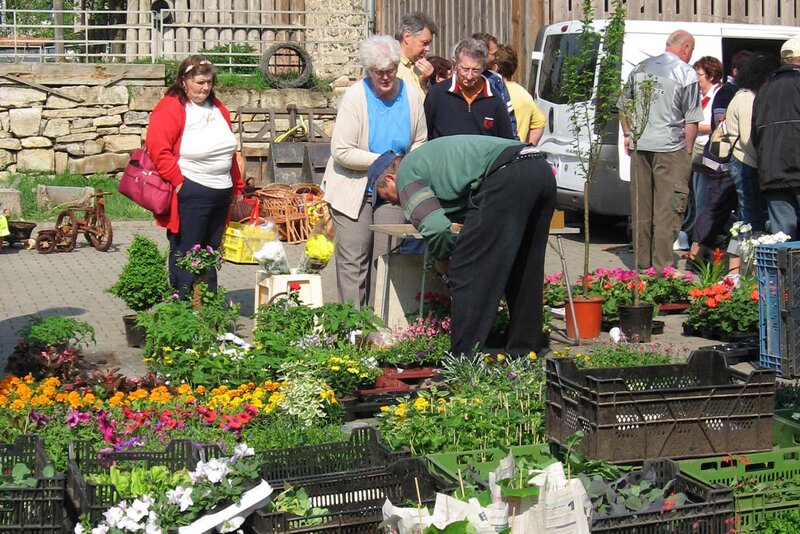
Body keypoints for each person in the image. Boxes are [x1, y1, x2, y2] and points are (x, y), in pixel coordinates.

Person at [371, 135, 556, 357]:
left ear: (391, 178)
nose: (394, 203)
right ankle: (525, 351)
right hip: (540, 169)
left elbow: (436, 226)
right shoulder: (428, 160)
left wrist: (442, 261)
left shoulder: (406, 174)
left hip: (508, 175)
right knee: (524, 267)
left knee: (466, 269)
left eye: (387, 197)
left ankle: (463, 360)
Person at [321, 35, 427, 308]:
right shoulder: (356, 97)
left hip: (393, 189)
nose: (386, 77)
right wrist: (386, 160)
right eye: (379, 72)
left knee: (386, 259)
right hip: (354, 187)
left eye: (390, 70)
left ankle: (382, 329)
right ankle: (353, 330)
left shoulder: (412, 96)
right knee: (354, 260)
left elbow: (420, 141)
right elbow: (342, 151)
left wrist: (404, 167)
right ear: (368, 71)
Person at [146, 55, 243, 299]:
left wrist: (237, 187)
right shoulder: (171, 107)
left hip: (220, 191)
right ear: (184, 80)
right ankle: (182, 305)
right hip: (192, 191)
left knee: (211, 253)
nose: (205, 87)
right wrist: (178, 181)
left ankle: (206, 305)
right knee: (187, 251)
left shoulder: (217, 107)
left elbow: (228, 150)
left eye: (209, 82)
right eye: (200, 82)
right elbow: (159, 149)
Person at [620, 30, 703, 272]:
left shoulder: (640, 68)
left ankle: (641, 264)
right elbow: (691, 119)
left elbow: (623, 104)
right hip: (671, 147)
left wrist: (628, 134)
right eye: (691, 50)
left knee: (641, 206)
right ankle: (663, 267)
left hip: (640, 144)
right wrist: (687, 152)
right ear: (685, 47)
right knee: (669, 208)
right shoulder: (686, 73)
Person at [753, 36, 800, 238]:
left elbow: (755, 134)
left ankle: (787, 271)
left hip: (772, 171)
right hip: (796, 167)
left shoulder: (764, 89)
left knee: (783, 240)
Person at [424, 38, 515, 140]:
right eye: (465, 69)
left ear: (483, 67)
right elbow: (423, 137)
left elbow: (506, 141)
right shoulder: (437, 95)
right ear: (455, 65)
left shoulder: (494, 101)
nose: (469, 76)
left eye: (476, 70)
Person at [678, 56, 723, 253]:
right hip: (697, 154)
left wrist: (691, 127)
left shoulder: (718, 94)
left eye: (699, 75)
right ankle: (695, 239)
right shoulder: (699, 96)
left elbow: (715, 124)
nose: (696, 79)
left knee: (704, 200)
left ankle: (700, 246)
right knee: (697, 199)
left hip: (709, 155)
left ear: (711, 76)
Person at [493, 43, 546, 144]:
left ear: (495, 67)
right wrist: (529, 146)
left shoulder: (492, 91)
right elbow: (540, 122)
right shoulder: (524, 94)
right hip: (515, 153)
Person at [472, 32, 518, 140]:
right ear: (482, 54)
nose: (497, 58)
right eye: (494, 54)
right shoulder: (462, 80)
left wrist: (514, 146)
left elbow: (509, 118)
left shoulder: (496, 80)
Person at [395, 11, 438, 97]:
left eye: (429, 44)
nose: (428, 49)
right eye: (424, 43)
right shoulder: (392, 68)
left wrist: (425, 83)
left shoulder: (418, 68)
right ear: (407, 37)